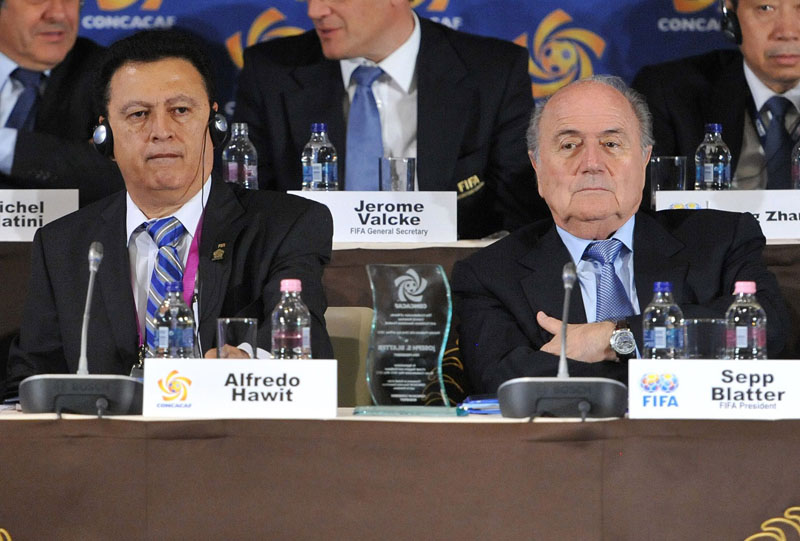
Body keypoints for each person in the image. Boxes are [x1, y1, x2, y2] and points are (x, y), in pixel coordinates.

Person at [4, 29, 334, 396]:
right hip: (106, 446)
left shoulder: (286, 226)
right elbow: (29, 379)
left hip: (231, 441)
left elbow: (307, 352)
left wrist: (247, 366)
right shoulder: (64, 244)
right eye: (138, 114)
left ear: (215, 124)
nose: (162, 131)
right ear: (104, 137)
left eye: (180, 111)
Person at [452, 75, 788, 394]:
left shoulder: (720, 239)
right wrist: (661, 374)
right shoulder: (489, 274)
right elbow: (503, 379)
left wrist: (615, 338)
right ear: (537, 167)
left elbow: (767, 329)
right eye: (569, 145)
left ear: (644, 160)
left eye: (612, 143)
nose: (592, 163)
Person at [233, 0, 547, 239]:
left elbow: (519, 219)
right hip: (311, 287)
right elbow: (250, 209)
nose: (315, 10)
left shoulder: (493, 73)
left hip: (456, 291)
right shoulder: (271, 73)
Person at [632, 0, 800, 194]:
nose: (787, 32)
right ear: (730, 14)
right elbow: (652, 211)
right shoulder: (669, 92)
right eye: (765, 8)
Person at [0, 0, 123, 205]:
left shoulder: (111, 75)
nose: (58, 14)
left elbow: (121, 172)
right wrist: (70, 154)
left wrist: (7, 145)